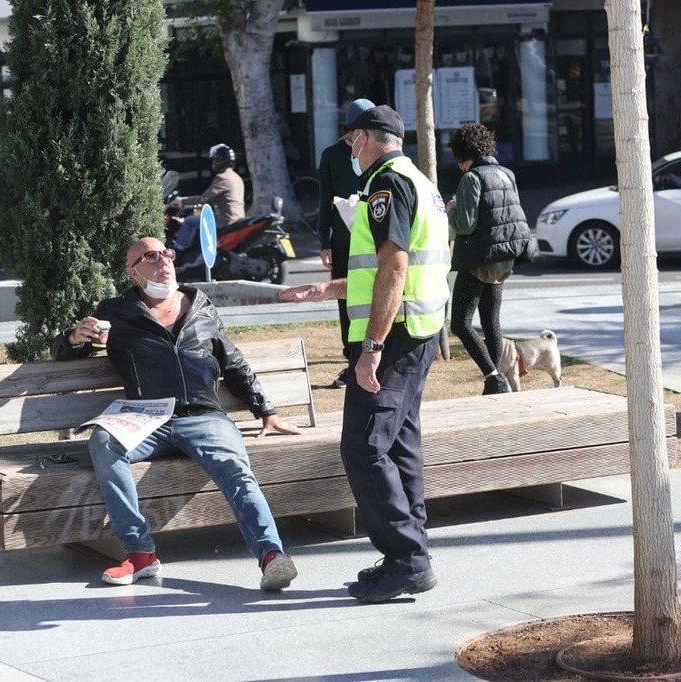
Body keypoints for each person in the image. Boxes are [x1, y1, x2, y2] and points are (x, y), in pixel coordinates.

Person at [52, 236, 301, 590]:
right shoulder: (116, 311)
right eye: (150, 257)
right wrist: (74, 337)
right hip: (145, 417)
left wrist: (266, 411)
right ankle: (140, 555)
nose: (163, 261)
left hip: (203, 416)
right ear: (134, 272)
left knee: (236, 471)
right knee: (104, 443)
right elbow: (67, 352)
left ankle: (272, 556)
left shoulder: (200, 305)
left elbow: (233, 361)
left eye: (166, 253)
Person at [278, 105, 451, 603]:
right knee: (398, 446)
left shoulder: (385, 186)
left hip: (393, 337)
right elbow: (384, 270)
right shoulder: (420, 182)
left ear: (369, 140)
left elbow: (396, 270)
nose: (350, 149)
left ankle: (406, 560)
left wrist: (371, 348)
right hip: (417, 332)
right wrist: (325, 290)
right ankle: (410, 555)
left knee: (363, 447)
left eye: (353, 140)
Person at [446, 123, 533, 395]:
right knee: (491, 322)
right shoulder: (506, 173)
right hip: (504, 259)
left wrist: (451, 210)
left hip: (478, 259)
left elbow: (466, 224)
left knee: (460, 322)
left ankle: (493, 376)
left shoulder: (471, 178)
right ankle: (494, 382)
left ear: (463, 154)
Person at [316, 98, 375, 389]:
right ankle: (350, 360)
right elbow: (323, 200)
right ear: (352, 129)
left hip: (374, 241)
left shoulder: (377, 153)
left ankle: (373, 357)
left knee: (374, 299)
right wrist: (324, 242)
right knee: (345, 302)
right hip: (342, 241)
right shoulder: (331, 156)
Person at [169, 144, 245, 264]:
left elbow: (205, 198)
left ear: (221, 160)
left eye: (215, 159)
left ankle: (176, 254)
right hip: (237, 218)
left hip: (225, 220)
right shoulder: (236, 177)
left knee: (188, 222)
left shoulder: (223, 178)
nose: (214, 162)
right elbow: (219, 200)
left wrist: (181, 200)